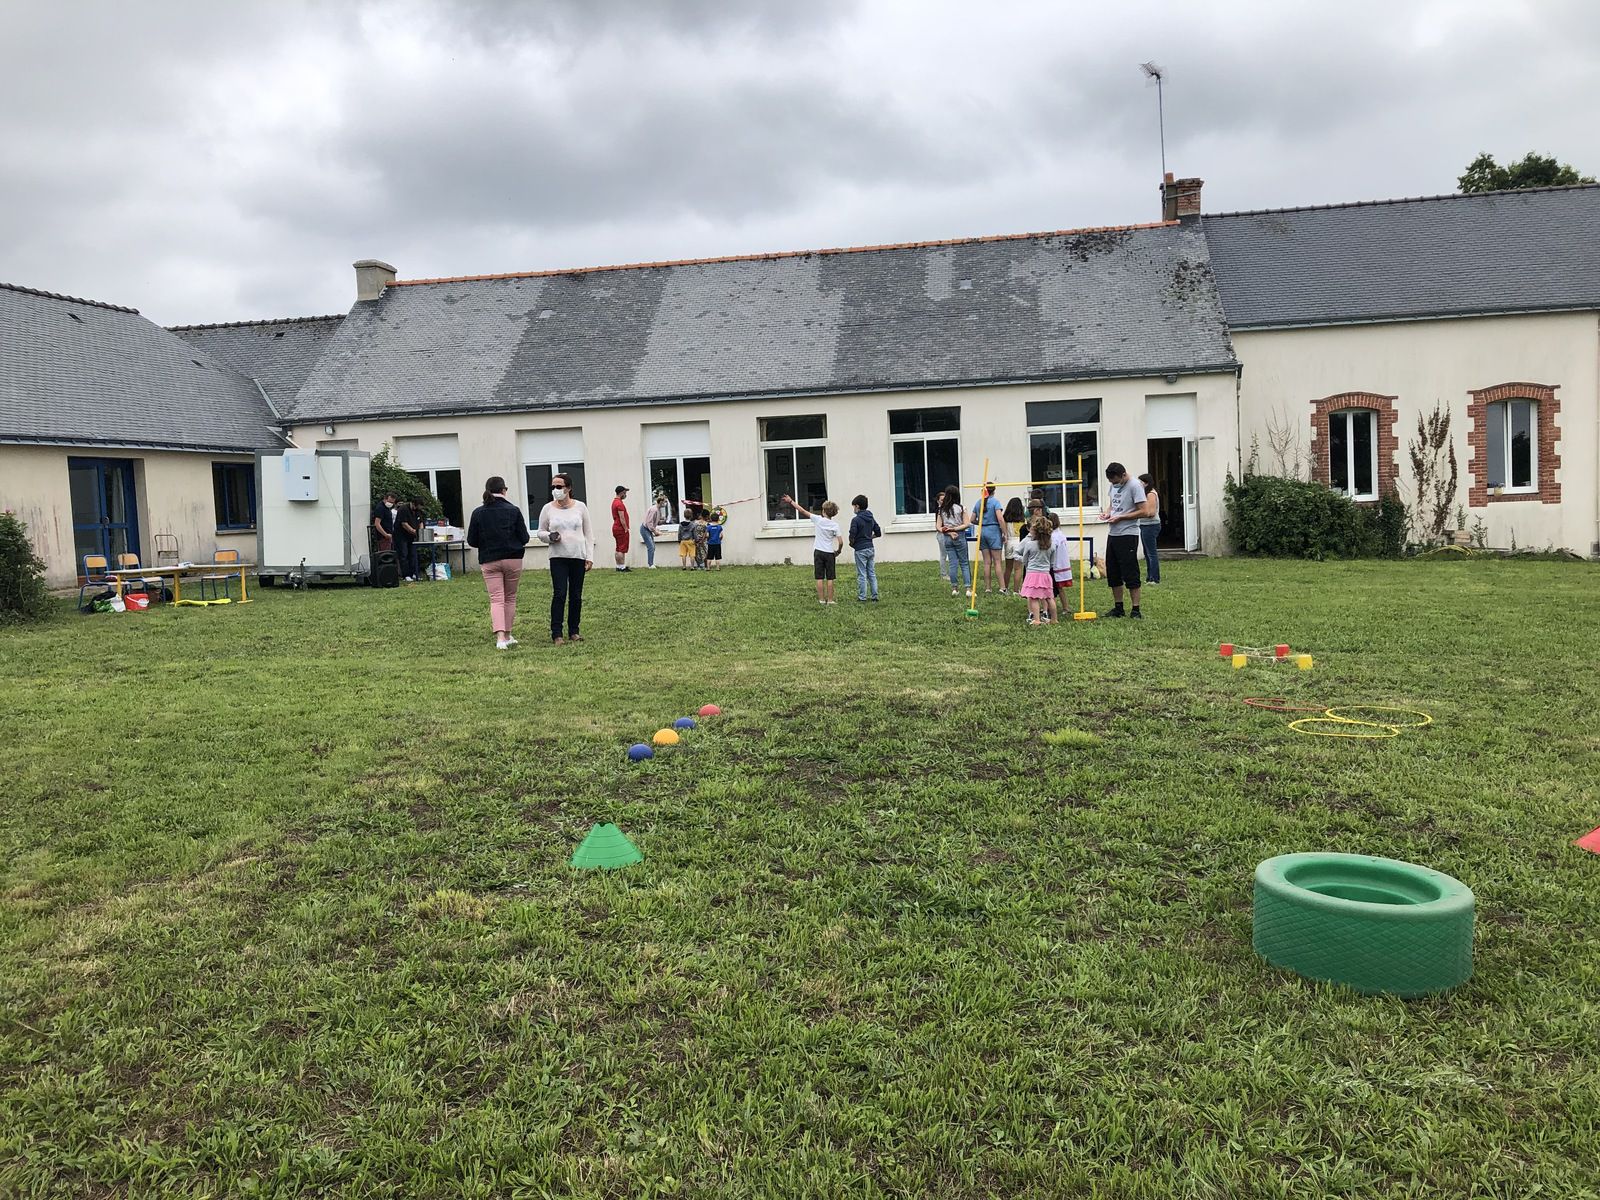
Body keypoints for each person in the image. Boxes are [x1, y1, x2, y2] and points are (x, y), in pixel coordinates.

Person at [465, 476, 530, 650]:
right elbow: (524, 537)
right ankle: (508, 634)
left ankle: (500, 638)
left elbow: (472, 540)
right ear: (504, 490)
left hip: (489, 559)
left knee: (496, 599)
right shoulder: (514, 510)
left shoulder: (478, 512)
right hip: (513, 558)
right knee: (510, 597)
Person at [534, 472, 593, 644]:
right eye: (553, 487)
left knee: (576, 595)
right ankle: (557, 633)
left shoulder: (580, 507)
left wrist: (589, 556)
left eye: (559, 486)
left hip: (577, 556)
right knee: (559, 594)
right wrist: (549, 536)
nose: (555, 490)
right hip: (558, 557)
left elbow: (588, 534)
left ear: (568, 488)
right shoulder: (548, 508)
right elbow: (540, 531)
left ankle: (574, 631)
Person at [1098, 462, 1152, 619]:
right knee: (1113, 571)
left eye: (1115, 481)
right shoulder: (1114, 485)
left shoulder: (1135, 486)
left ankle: (1135, 609)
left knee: (1130, 571)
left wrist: (1121, 517)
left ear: (1123, 475)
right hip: (1113, 534)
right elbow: (1112, 505)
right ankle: (1118, 607)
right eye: (1111, 482)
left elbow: (1145, 511)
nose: (1113, 484)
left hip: (1128, 534)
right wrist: (1107, 513)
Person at [782, 493, 841, 604]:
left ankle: (821, 599)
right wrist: (838, 550)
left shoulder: (818, 519)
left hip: (818, 551)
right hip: (829, 553)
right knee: (830, 578)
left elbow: (802, 511)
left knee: (819, 577)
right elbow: (841, 541)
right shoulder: (835, 525)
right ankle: (830, 600)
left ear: (823, 511)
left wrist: (791, 501)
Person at [1017, 515, 1058, 626]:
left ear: (1035, 531)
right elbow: (1052, 563)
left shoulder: (1029, 544)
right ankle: (1054, 619)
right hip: (1046, 574)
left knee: (1034, 598)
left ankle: (1036, 619)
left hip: (1032, 574)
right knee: (1049, 597)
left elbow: (1025, 560)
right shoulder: (1052, 546)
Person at [935, 485, 971, 597]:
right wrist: (955, 529)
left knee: (952, 563)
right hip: (959, 536)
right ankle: (968, 588)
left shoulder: (942, 509)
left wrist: (947, 531)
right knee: (964, 563)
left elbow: (938, 527)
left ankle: (954, 588)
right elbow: (967, 524)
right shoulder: (961, 508)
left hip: (947, 538)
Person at [848, 494, 882, 601]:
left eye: (854, 507)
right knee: (871, 573)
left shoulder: (856, 520)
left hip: (860, 549)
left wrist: (852, 543)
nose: (853, 509)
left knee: (862, 574)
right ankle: (874, 596)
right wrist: (870, 537)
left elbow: (852, 534)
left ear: (857, 506)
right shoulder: (871, 517)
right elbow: (878, 532)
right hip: (870, 547)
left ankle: (862, 597)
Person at [976, 482, 1007, 596]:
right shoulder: (995, 502)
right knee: (997, 561)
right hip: (993, 532)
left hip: (982, 531)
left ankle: (988, 588)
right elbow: (1000, 519)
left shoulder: (978, 502)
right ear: (994, 490)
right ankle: (1002, 588)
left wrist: (982, 522)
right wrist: (1004, 532)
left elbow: (972, 519)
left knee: (987, 562)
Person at [1137, 472, 1162, 585]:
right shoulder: (1144, 494)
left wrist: (1138, 514)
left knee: (1151, 553)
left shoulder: (1151, 494)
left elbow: (1151, 513)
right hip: (1144, 525)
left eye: (1141, 482)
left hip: (1151, 525)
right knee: (1147, 552)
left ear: (1146, 483)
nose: (1139, 485)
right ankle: (1149, 577)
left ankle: (1155, 578)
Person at [1048, 511, 1074, 604]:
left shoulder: (1053, 537)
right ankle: (1065, 606)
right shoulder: (1060, 534)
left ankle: (1055, 606)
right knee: (1059, 588)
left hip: (1056, 564)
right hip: (1061, 562)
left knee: (1054, 587)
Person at [1001, 497, 1026, 593]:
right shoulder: (1022, 519)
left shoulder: (1005, 518)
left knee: (1008, 568)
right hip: (1019, 542)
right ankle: (1016, 590)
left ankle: (1005, 588)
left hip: (1009, 542)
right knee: (1018, 568)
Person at [393, 500, 421, 582]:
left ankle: (413, 573)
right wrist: (413, 531)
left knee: (413, 554)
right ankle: (406, 575)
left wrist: (421, 531)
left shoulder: (417, 511)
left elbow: (420, 522)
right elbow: (404, 524)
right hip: (401, 535)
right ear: (414, 504)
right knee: (404, 554)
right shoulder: (403, 509)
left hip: (412, 536)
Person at [640, 491, 668, 568]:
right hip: (645, 529)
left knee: (652, 547)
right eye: (665, 502)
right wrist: (655, 531)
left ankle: (651, 563)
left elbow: (656, 522)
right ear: (661, 502)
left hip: (648, 529)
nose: (665, 504)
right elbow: (649, 523)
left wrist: (663, 521)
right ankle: (650, 565)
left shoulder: (658, 510)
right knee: (651, 547)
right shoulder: (654, 510)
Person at [610, 485, 631, 572]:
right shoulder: (619, 504)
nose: (625, 495)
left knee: (618, 547)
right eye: (625, 493)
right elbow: (622, 517)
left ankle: (618, 566)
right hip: (620, 528)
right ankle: (622, 567)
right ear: (621, 493)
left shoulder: (614, 502)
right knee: (622, 548)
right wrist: (625, 528)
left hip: (616, 527)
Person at [677, 502, 697, 569]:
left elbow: (679, 533)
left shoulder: (680, 524)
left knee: (683, 554)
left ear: (684, 516)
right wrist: (696, 540)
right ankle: (692, 566)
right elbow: (695, 533)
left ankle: (684, 566)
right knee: (692, 555)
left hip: (683, 541)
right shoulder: (693, 524)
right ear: (691, 515)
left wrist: (679, 540)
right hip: (690, 541)